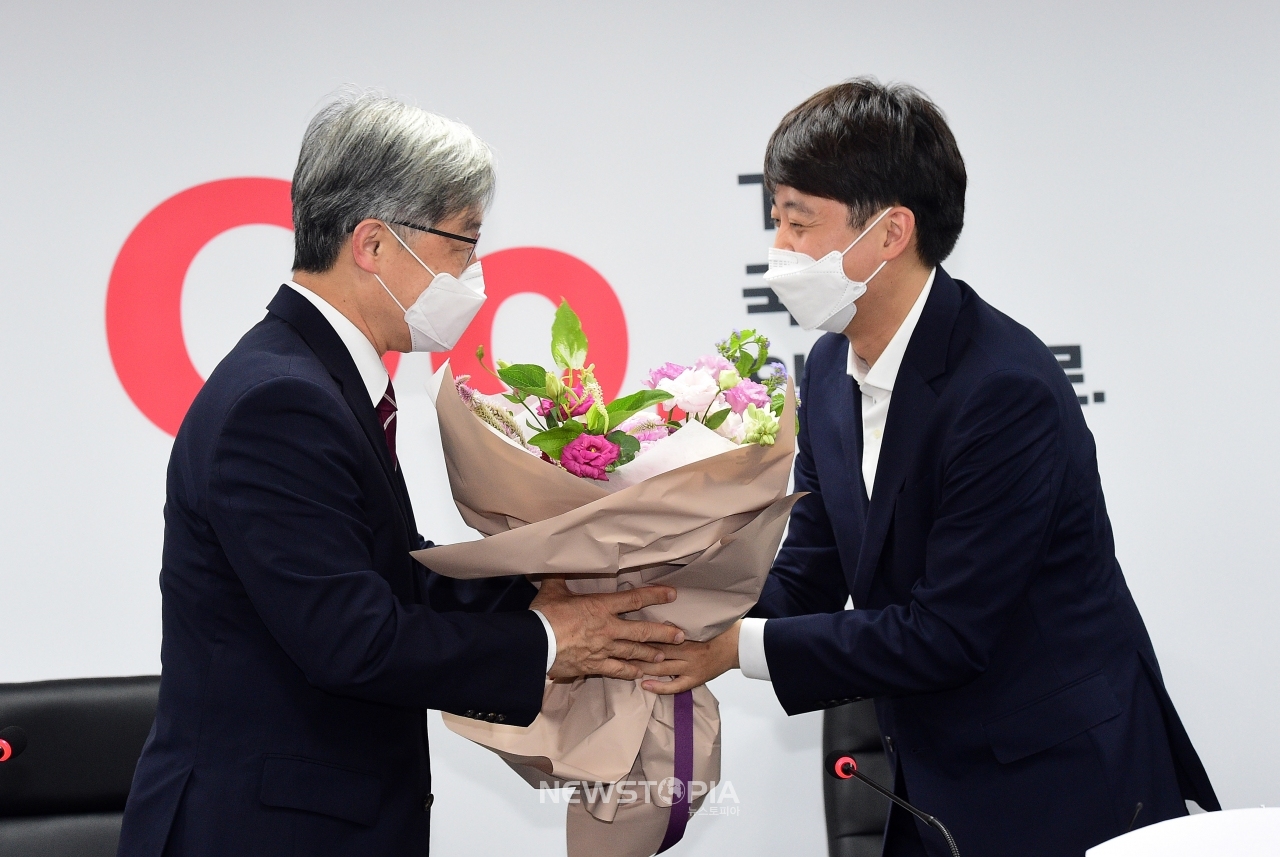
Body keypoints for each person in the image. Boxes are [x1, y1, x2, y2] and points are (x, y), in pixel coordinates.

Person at [644, 78, 1219, 856]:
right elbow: (813, 566)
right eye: (775, 220)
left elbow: (948, 632)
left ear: (890, 232)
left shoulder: (1002, 389)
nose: (779, 250)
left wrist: (733, 650)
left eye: (799, 223)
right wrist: (683, 616)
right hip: (932, 775)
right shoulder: (824, 369)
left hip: (1059, 777)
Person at [117, 91, 684, 857]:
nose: (475, 276)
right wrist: (549, 640)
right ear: (374, 244)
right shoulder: (279, 401)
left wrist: (541, 593)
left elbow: (392, 575)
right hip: (260, 830)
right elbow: (355, 640)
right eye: (463, 246)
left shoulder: (317, 377)